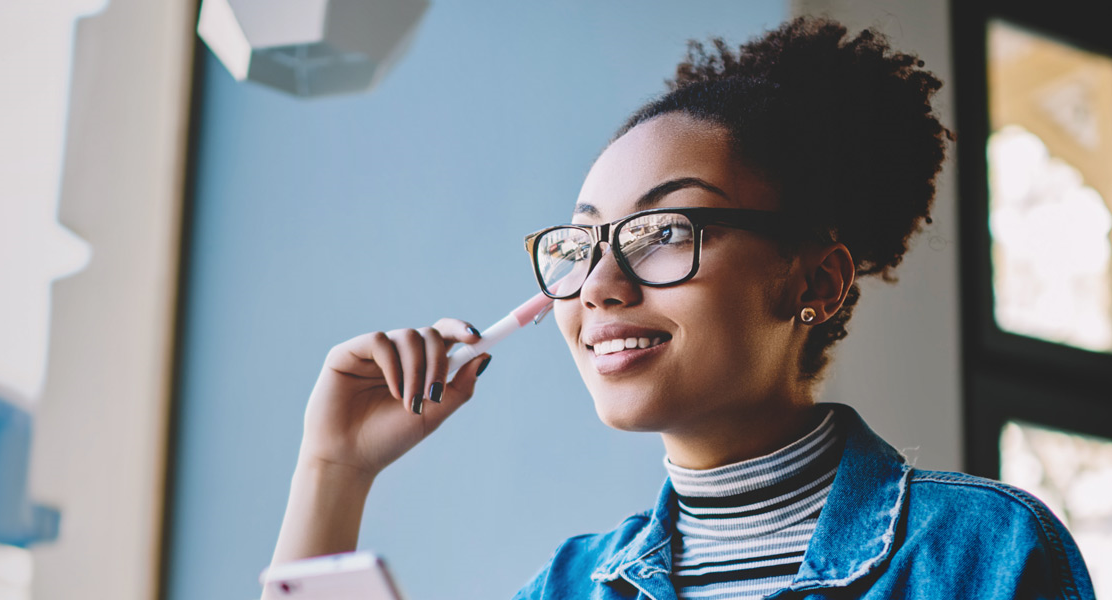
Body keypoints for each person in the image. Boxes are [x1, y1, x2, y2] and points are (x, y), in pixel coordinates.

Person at [268, 16, 1096, 599]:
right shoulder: (567, 586)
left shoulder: (985, 555)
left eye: (662, 231)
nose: (599, 284)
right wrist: (334, 471)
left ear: (815, 282)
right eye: (580, 245)